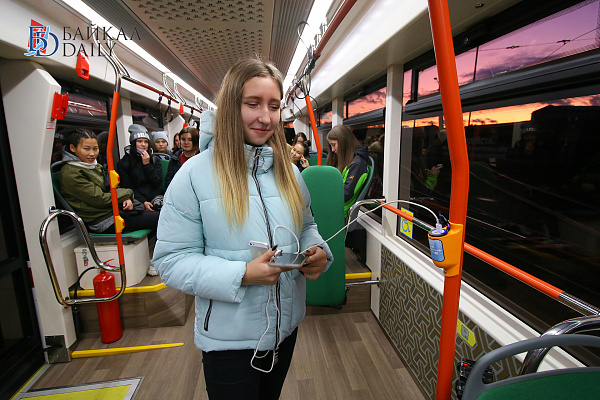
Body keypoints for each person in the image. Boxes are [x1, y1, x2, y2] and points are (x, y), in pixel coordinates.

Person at [152, 58, 333, 400]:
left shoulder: (290, 173)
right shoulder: (194, 175)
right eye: (253, 104)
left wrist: (318, 250)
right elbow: (171, 261)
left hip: (284, 329)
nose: (265, 117)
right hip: (228, 342)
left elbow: (307, 225)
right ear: (231, 107)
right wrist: (242, 275)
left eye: (274, 106)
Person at [56, 128, 159, 235]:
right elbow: (100, 199)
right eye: (86, 149)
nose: (92, 153)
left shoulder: (92, 166)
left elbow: (110, 186)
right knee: (161, 218)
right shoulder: (72, 173)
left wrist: (126, 198)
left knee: (160, 216)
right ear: (72, 148)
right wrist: (128, 193)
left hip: (114, 210)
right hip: (103, 220)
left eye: (95, 149)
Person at [117, 124, 164, 211]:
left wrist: (147, 165)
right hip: (136, 197)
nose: (143, 145)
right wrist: (144, 201)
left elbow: (157, 182)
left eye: (146, 142)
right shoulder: (124, 163)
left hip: (154, 195)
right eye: (139, 141)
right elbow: (127, 187)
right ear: (133, 143)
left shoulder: (154, 160)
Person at [326, 125, 370, 217]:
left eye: (334, 145)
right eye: (331, 146)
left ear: (344, 143)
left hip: (339, 212)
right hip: (333, 206)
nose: (333, 150)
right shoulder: (348, 160)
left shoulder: (357, 164)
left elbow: (345, 195)